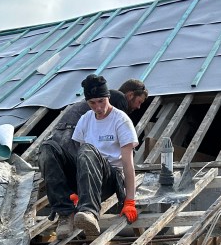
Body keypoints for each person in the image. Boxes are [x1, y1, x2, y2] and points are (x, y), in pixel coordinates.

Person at [38, 76, 147, 226]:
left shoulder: (121, 120)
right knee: (48, 148)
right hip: (86, 179)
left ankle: (89, 211)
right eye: (92, 103)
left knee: (87, 150)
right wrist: (77, 188)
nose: (98, 108)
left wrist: (130, 201)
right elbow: (78, 157)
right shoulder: (85, 119)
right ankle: (65, 213)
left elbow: (128, 164)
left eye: (101, 101)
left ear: (108, 97)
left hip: (108, 180)